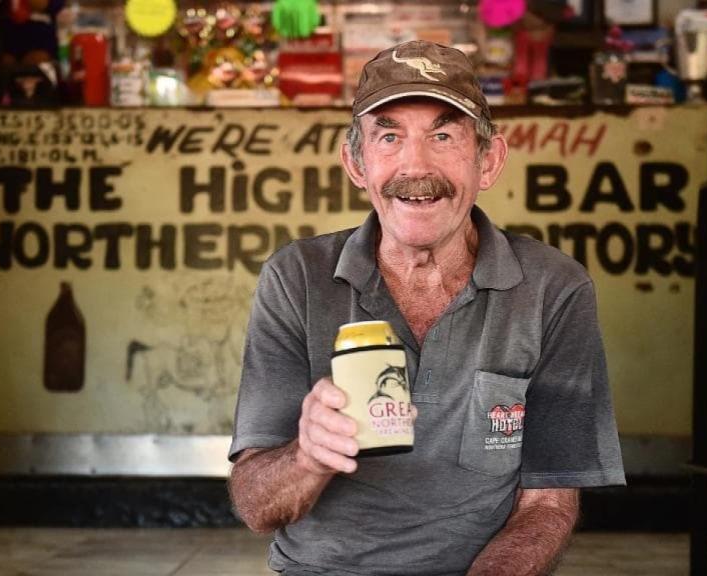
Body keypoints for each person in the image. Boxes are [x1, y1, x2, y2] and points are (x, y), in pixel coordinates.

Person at [227, 40, 625, 576]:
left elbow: (548, 503)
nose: (416, 166)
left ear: (489, 161)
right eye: (389, 136)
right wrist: (307, 456)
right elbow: (256, 507)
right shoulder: (297, 278)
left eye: (443, 135)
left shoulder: (555, 288)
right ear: (356, 163)